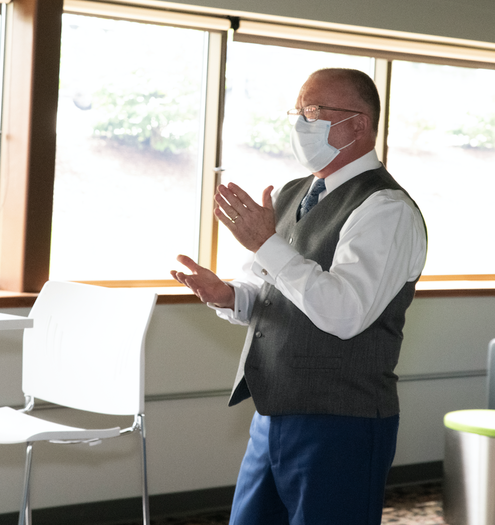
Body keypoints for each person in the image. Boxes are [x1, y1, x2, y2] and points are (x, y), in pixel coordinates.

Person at [171, 68, 427, 525]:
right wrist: (229, 295)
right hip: (272, 413)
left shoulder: (386, 209)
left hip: (342, 422)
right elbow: (271, 293)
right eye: (298, 112)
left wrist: (266, 244)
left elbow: (345, 313)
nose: (300, 125)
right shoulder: (294, 193)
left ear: (358, 125)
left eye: (313, 112)